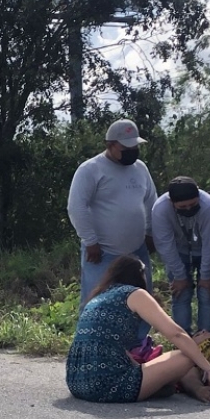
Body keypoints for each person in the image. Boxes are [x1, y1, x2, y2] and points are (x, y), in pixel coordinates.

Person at [66, 255, 210, 403]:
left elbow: (116, 348)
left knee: (158, 367)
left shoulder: (98, 297)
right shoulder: (135, 294)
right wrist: (208, 368)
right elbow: (176, 334)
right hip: (105, 385)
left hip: (76, 382)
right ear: (140, 274)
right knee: (186, 356)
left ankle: (156, 386)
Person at [67, 119, 157, 339]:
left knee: (144, 301)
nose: (131, 152)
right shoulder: (91, 169)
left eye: (134, 147)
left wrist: (149, 232)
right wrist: (90, 241)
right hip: (103, 253)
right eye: (126, 148)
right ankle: (91, 345)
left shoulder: (140, 168)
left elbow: (150, 200)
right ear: (110, 145)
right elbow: (76, 206)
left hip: (137, 251)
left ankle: (137, 348)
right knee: (97, 303)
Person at [151, 176, 210, 335]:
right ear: (172, 203)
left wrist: (207, 275)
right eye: (183, 206)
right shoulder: (160, 209)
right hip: (178, 250)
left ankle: (205, 338)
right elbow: (165, 245)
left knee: (207, 294)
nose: (189, 209)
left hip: (204, 250)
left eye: (193, 205)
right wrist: (180, 276)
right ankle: (182, 340)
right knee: (181, 294)